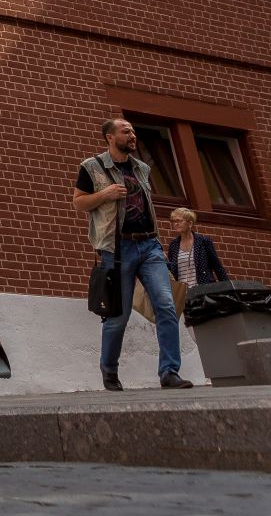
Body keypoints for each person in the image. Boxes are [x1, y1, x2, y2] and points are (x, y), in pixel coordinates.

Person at [72, 117, 189, 392]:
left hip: (149, 246)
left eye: (133, 131)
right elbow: (78, 202)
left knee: (166, 305)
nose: (132, 135)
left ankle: (170, 372)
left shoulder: (142, 168)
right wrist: (106, 194)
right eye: (126, 132)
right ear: (110, 138)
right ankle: (109, 371)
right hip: (117, 250)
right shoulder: (92, 167)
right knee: (118, 316)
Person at [164, 207, 230, 292]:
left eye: (179, 221)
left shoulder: (203, 241)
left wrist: (229, 290)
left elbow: (217, 267)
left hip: (204, 291)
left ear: (190, 223)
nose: (176, 224)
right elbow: (172, 271)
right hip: (183, 294)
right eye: (174, 221)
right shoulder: (173, 245)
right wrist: (164, 261)